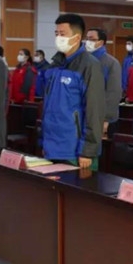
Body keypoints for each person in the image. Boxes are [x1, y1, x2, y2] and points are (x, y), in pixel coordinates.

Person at [41, 13, 105, 170]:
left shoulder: (89, 66)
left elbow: (94, 111)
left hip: (75, 151)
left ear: (77, 38)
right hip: (52, 147)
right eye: (56, 33)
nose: (58, 38)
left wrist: (87, 151)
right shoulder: (54, 65)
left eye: (62, 34)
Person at [85, 28, 122, 137]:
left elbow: (113, 93)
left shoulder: (111, 63)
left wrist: (106, 119)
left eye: (91, 39)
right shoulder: (83, 60)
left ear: (100, 42)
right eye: (87, 39)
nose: (88, 42)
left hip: (101, 118)